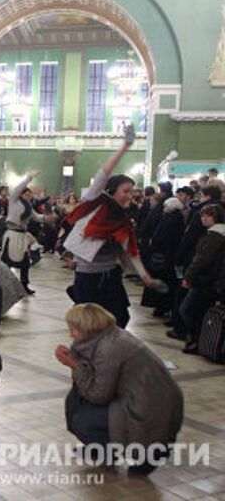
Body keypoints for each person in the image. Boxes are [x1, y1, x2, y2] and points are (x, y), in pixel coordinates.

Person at [55, 303, 183, 475]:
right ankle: (101, 448)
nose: (70, 334)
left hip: (149, 407)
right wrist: (75, 364)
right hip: (136, 396)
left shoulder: (109, 348)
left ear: (87, 328)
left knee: (83, 420)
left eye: (74, 329)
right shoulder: (104, 336)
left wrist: (73, 364)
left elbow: (98, 395)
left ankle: (149, 453)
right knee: (74, 402)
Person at [63, 125, 160, 327]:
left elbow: (130, 250)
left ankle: (109, 355)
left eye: (132, 191)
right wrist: (125, 145)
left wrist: (146, 277)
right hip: (88, 276)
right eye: (125, 190)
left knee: (121, 319)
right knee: (89, 325)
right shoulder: (96, 200)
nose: (130, 195)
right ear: (112, 190)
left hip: (111, 276)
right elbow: (104, 172)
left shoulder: (122, 219)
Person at [179, 204, 225, 354]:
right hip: (213, 281)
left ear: (216, 217)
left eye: (208, 215)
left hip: (204, 281)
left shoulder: (214, 237)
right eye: (202, 215)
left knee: (187, 310)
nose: (203, 218)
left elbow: (203, 260)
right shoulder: (216, 235)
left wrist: (188, 276)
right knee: (199, 311)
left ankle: (195, 341)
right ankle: (199, 341)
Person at [1, 170, 46, 295]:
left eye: (29, 195)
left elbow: (37, 217)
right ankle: (4, 284)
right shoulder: (14, 200)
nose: (28, 196)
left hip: (22, 236)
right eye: (26, 194)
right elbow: (18, 188)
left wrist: (47, 218)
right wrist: (29, 177)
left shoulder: (29, 207)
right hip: (12, 234)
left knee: (25, 262)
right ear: (21, 194)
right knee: (7, 262)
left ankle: (24, 285)